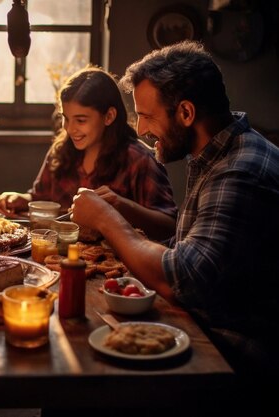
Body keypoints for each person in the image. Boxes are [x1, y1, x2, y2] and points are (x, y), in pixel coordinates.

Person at [72, 41, 279, 376]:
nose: (140, 130)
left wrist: (107, 219)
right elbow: (195, 248)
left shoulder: (240, 171)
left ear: (185, 113)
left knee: (83, 368)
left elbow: (185, 279)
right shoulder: (218, 153)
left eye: (146, 116)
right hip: (204, 325)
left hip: (237, 355)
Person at [0, 67, 177, 240]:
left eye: (80, 120)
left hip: (115, 265)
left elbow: (169, 226)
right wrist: (22, 199)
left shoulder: (140, 160)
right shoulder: (60, 150)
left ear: (109, 116)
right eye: (66, 118)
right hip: (57, 255)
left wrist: (121, 205)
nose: (70, 129)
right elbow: (40, 198)